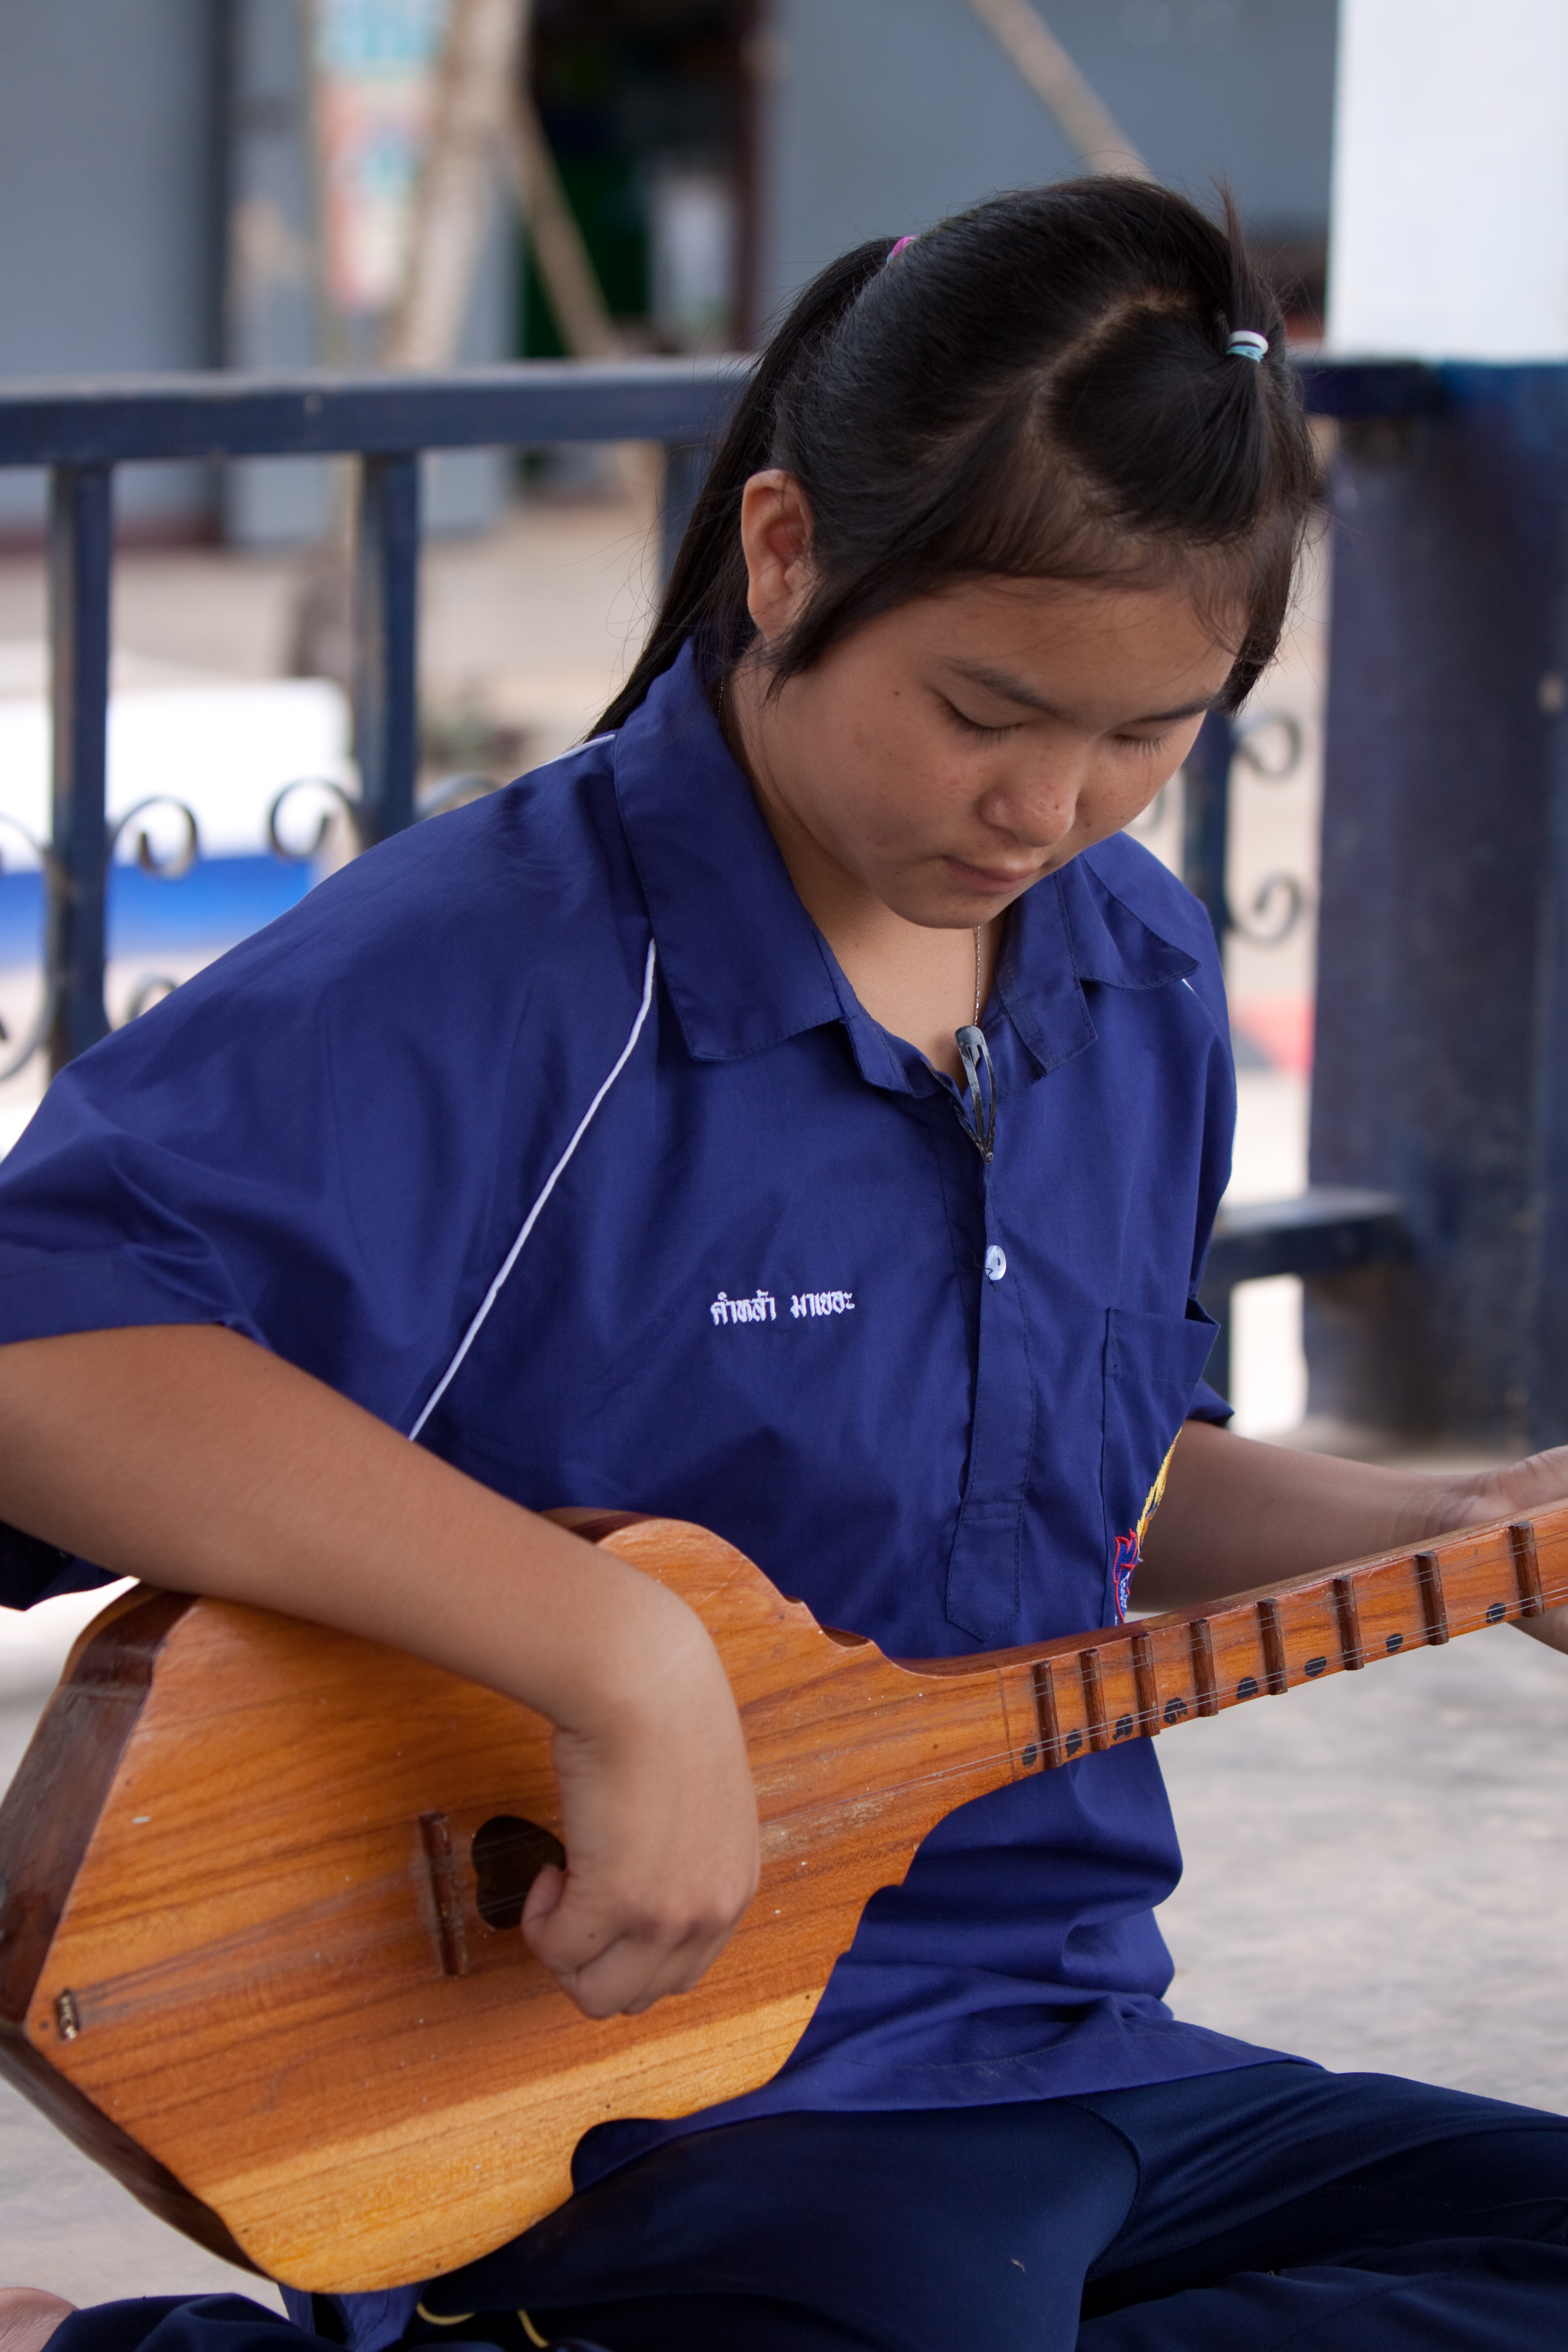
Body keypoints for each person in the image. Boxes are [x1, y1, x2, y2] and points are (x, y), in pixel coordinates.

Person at [0, 179, 1567, 2352]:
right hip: (642, 2073)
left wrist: (1468, 1535)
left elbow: (1079, 1482)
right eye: (988, 707)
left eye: (1149, 732)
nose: (1052, 806)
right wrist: (611, 1653)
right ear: (784, 554)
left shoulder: (1138, 981)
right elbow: (43, 1344)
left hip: (1058, 2040)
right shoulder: (501, 976)